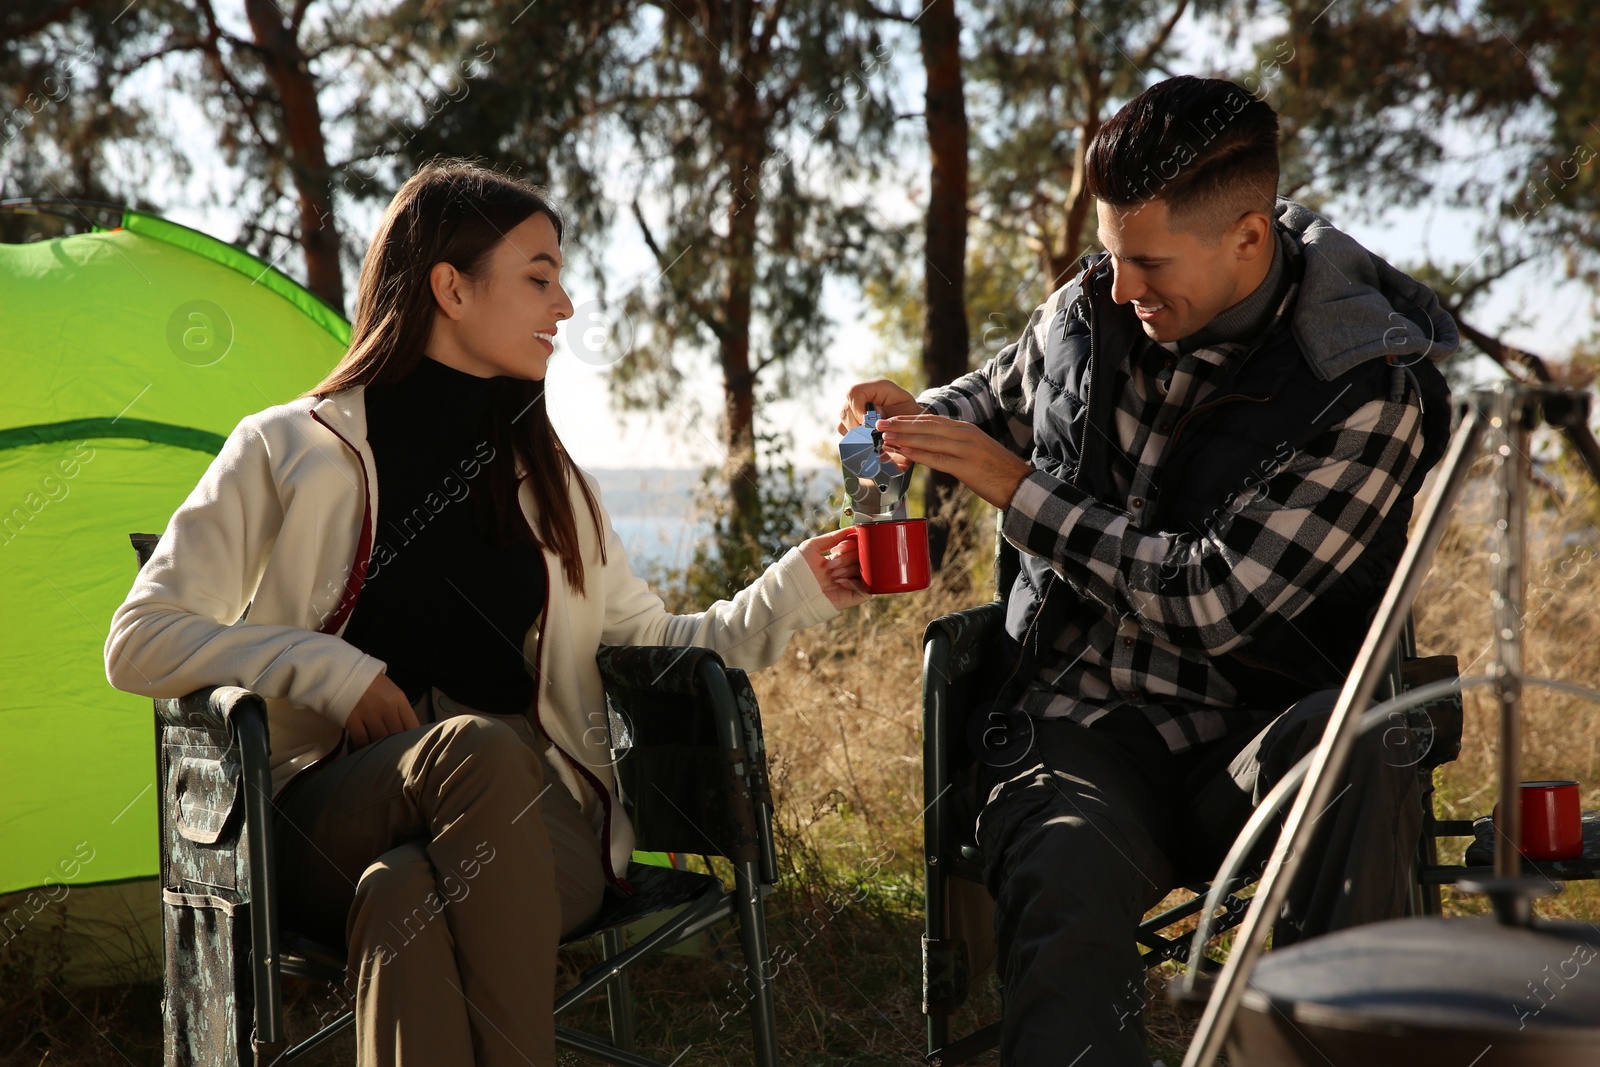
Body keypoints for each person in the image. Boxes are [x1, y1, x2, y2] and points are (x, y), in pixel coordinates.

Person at [105, 158, 867, 1067]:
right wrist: (332, 671)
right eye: (540, 276)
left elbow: (655, 647)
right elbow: (138, 641)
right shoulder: (286, 448)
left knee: (404, 894)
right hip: (332, 804)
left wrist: (799, 583)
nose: (568, 304)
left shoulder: (549, 481)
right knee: (469, 754)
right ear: (451, 288)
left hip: (538, 819)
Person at [841, 76, 1456, 1065]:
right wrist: (912, 422)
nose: (1120, 285)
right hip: (1081, 727)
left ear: (1248, 239)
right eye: (1115, 254)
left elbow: (1213, 596)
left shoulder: (1368, 390)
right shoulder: (1087, 312)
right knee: (1066, 875)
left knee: (1355, 754)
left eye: (1147, 262)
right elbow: (993, 401)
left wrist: (1015, 491)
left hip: (1260, 733)